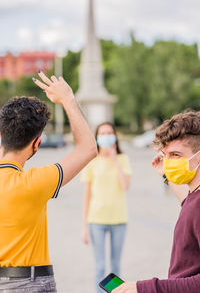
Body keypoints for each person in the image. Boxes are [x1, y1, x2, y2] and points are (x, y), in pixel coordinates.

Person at [0, 71, 97, 292]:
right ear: (37, 143)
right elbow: (88, 148)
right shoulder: (34, 182)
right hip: (29, 282)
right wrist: (68, 100)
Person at [113, 111, 200, 293]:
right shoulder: (194, 196)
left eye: (176, 155)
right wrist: (167, 175)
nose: (169, 161)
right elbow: (187, 204)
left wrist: (142, 288)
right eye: (165, 155)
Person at [81, 122, 132, 293]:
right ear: (97, 137)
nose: (106, 135)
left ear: (115, 136)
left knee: (116, 266)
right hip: (96, 220)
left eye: (109, 132)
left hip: (119, 219)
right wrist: (84, 227)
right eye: (102, 133)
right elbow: (87, 195)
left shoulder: (123, 159)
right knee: (100, 266)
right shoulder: (91, 161)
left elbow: (125, 185)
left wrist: (115, 159)